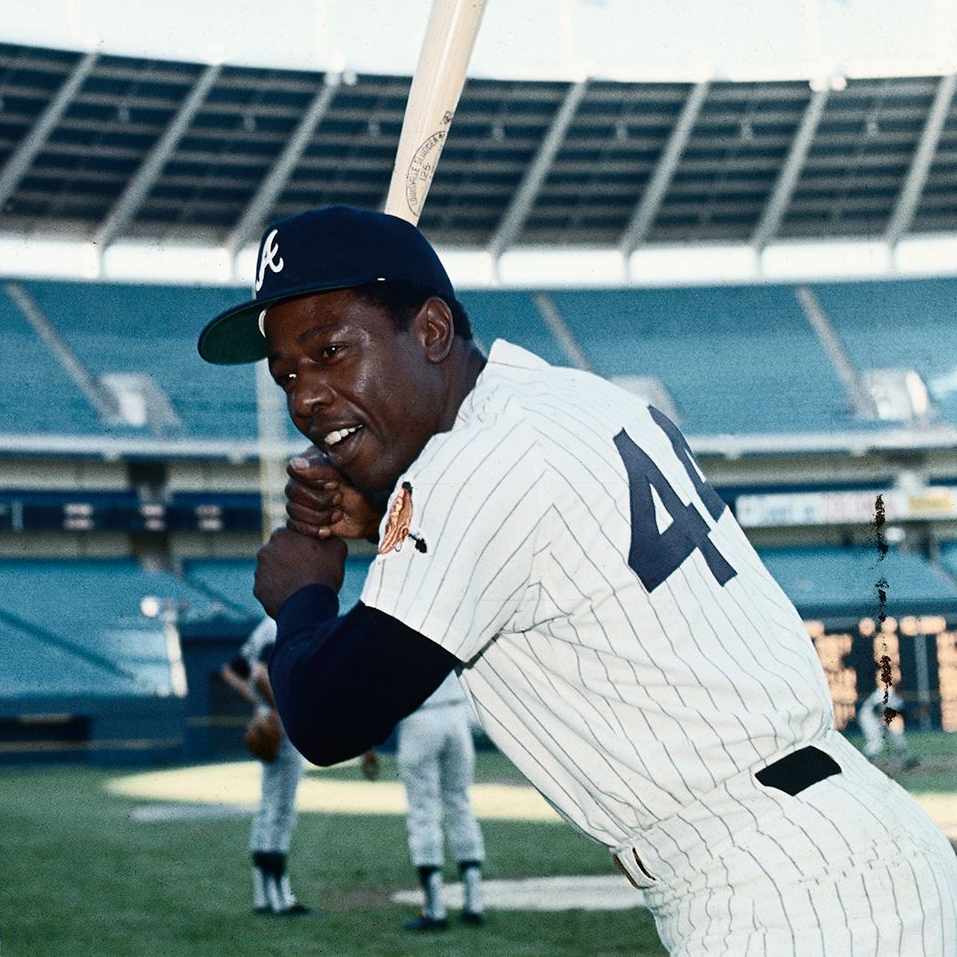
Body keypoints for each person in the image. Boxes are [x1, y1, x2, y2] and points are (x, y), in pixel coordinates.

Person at [197, 205, 957, 956]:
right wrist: (381, 521)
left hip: (783, 894)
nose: (303, 398)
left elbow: (329, 715)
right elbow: (531, 566)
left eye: (332, 353)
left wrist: (304, 590)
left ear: (431, 332)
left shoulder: (477, 465)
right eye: (288, 374)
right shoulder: (566, 400)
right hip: (841, 854)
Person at [219, 616, 311, 916]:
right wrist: (276, 707)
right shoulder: (278, 625)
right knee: (281, 811)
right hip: (280, 722)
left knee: (267, 808)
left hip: (267, 717)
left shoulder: (263, 626)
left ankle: (263, 895)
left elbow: (231, 671)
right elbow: (259, 674)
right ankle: (281, 898)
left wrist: (259, 704)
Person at [393, 673, 485, 931]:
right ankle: (474, 902)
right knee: (460, 806)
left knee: (423, 811)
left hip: (420, 718)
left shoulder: (397, 633)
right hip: (456, 716)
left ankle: (435, 908)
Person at [859, 684, 916, 769]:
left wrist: (917, 713)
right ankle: (861, 761)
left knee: (897, 735)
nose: (902, 692)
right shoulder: (883, 692)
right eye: (900, 689)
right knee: (877, 742)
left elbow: (902, 714)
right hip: (868, 717)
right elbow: (875, 709)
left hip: (882, 718)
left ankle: (906, 760)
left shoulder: (898, 699)